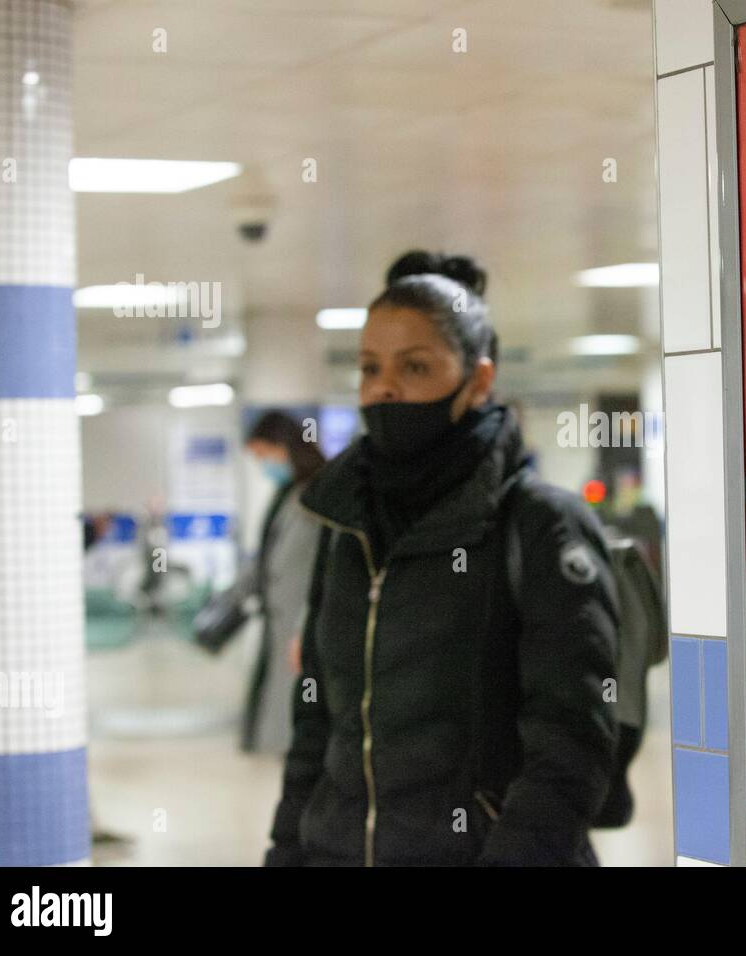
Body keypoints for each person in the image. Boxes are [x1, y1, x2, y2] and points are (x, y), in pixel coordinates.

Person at [264, 251, 619, 866]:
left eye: (416, 367)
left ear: (478, 381)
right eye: (369, 367)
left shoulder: (537, 525)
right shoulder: (344, 525)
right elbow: (316, 724)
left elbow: (570, 747)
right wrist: (288, 852)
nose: (384, 388)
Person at [241, 411, 325, 754]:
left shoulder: (317, 494)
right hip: (284, 619)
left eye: (264, 455)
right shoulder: (288, 494)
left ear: (284, 446)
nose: (263, 465)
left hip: (304, 621)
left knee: (300, 711)